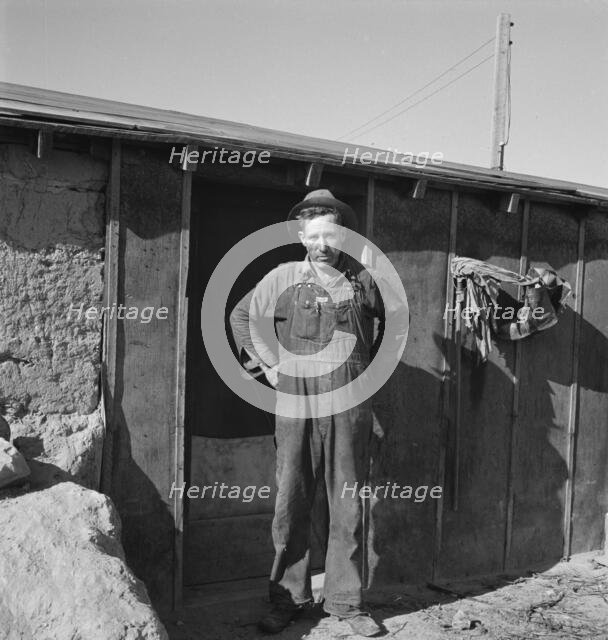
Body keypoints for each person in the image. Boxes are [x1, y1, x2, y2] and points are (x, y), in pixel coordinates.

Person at [230, 189, 409, 636]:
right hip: (297, 404)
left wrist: (373, 371)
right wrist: (265, 367)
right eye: (315, 235)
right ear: (301, 236)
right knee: (292, 500)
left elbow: (396, 323)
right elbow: (239, 317)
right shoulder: (282, 278)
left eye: (332, 233)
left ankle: (346, 604)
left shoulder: (364, 281)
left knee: (346, 504)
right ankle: (287, 599)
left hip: (349, 403)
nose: (324, 243)